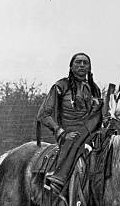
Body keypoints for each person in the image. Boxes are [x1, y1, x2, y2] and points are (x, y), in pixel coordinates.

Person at [37, 52, 103, 195]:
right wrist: (60, 131)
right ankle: (57, 179)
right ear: (71, 66)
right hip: (70, 133)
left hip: (91, 132)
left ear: (90, 67)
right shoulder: (61, 86)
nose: (82, 65)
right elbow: (43, 115)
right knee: (76, 139)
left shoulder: (95, 89)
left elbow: (97, 115)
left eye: (85, 63)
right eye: (78, 62)